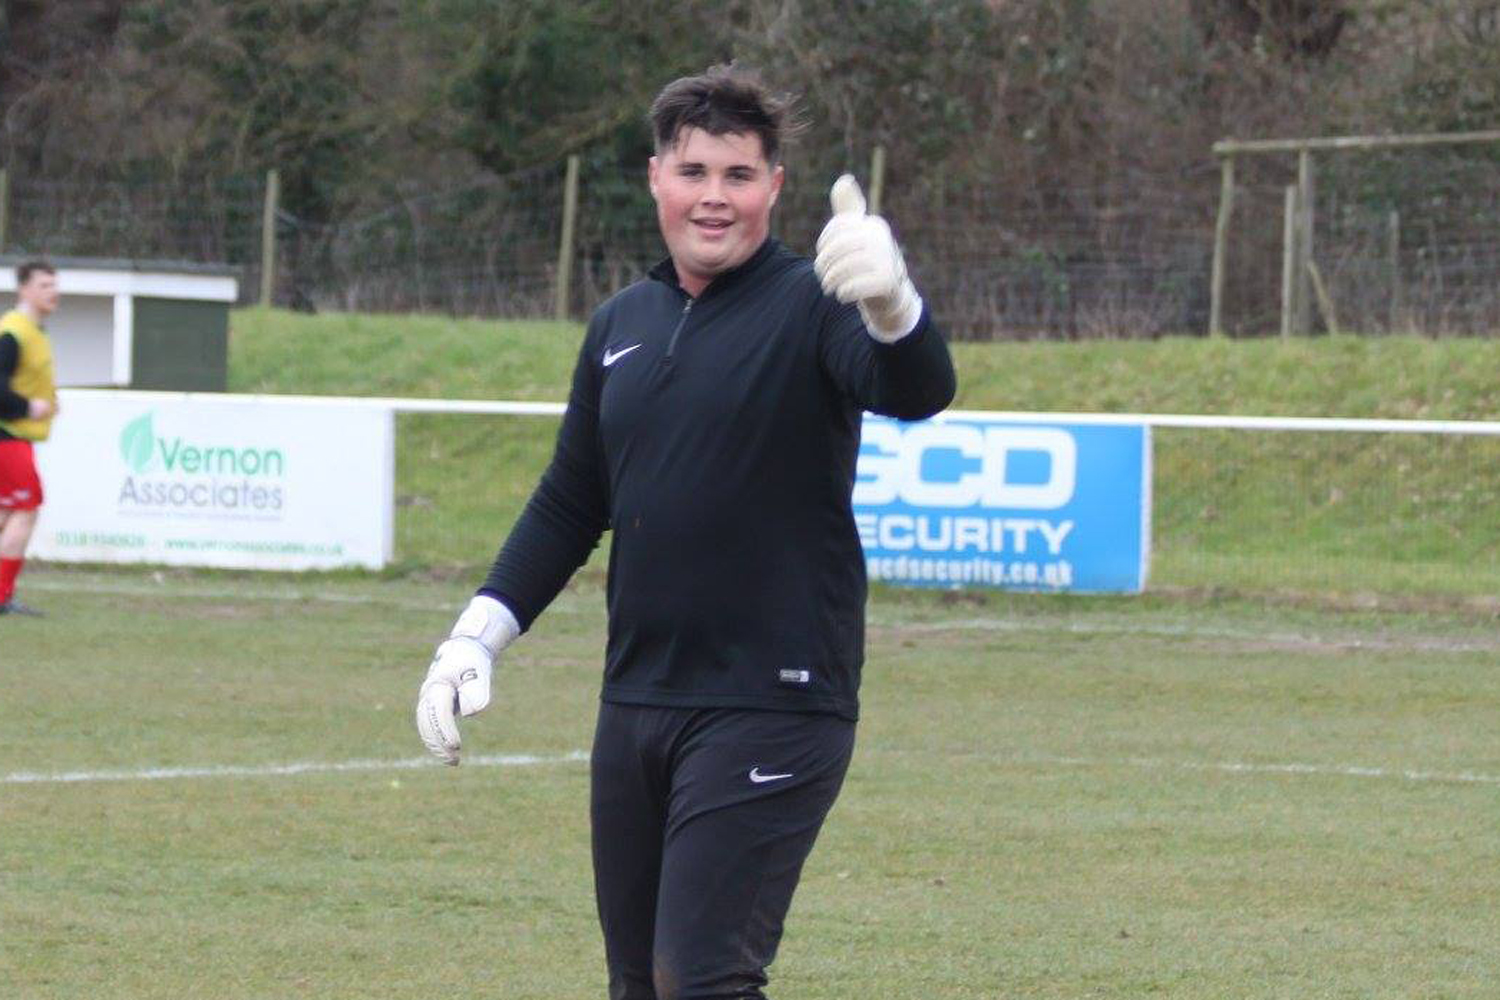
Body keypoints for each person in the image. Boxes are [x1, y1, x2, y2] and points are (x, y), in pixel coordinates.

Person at [416, 65, 956, 1000]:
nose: (715, 197)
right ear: (656, 177)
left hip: (775, 699)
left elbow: (916, 389)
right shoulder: (623, 323)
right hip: (636, 702)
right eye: (694, 171)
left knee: (701, 979)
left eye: (739, 175)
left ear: (775, 187)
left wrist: (892, 302)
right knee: (640, 985)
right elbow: (571, 500)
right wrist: (476, 634)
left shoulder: (816, 304)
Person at [0, 260, 61, 617]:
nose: (53, 292)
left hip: (16, 436)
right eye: (44, 285)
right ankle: (2, 596)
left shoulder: (36, 332)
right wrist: (29, 407)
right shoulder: (13, 332)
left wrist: (48, 403)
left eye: (55, 285)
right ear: (24, 289)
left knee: (9, 512)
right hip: (7, 435)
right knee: (25, 509)